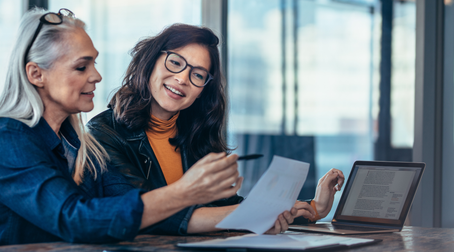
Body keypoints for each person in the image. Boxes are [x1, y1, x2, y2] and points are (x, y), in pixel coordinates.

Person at [0, 9, 244, 248]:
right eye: (82, 67)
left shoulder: (80, 144)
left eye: (94, 63)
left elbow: (125, 208)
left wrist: (255, 214)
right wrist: (185, 191)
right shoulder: (5, 139)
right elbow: (76, 220)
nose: (96, 76)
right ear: (36, 74)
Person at [87, 23, 345, 234]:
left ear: (202, 91)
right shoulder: (103, 133)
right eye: (175, 62)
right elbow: (143, 214)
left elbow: (225, 207)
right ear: (151, 61)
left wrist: (314, 207)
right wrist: (254, 216)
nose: (182, 79)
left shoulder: (195, 135)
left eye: (198, 75)